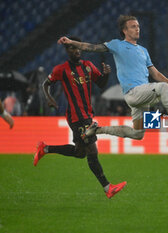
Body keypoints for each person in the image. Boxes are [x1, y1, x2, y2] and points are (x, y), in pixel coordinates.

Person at [57, 15, 168, 141]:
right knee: (163, 88)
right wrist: (71, 42)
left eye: (138, 26)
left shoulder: (143, 50)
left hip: (142, 95)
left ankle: (98, 130)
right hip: (134, 92)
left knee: (138, 134)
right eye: (133, 27)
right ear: (124, 31)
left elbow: (155, 73)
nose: (137, 29)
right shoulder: (117, 45)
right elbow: (91, 47)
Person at [33, 36, 126, 199]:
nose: (76, 50)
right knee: (92, 150)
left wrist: (105, 75)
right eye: (71, 48)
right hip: (77, 116)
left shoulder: (88, 66)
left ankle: (45, 148)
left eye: (77, 48)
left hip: (87, 114)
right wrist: (49, 98)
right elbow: (45, 84)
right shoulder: (61, 69)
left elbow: (101, 84)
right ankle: (107, 188)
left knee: (80, 152)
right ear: (67, 51)